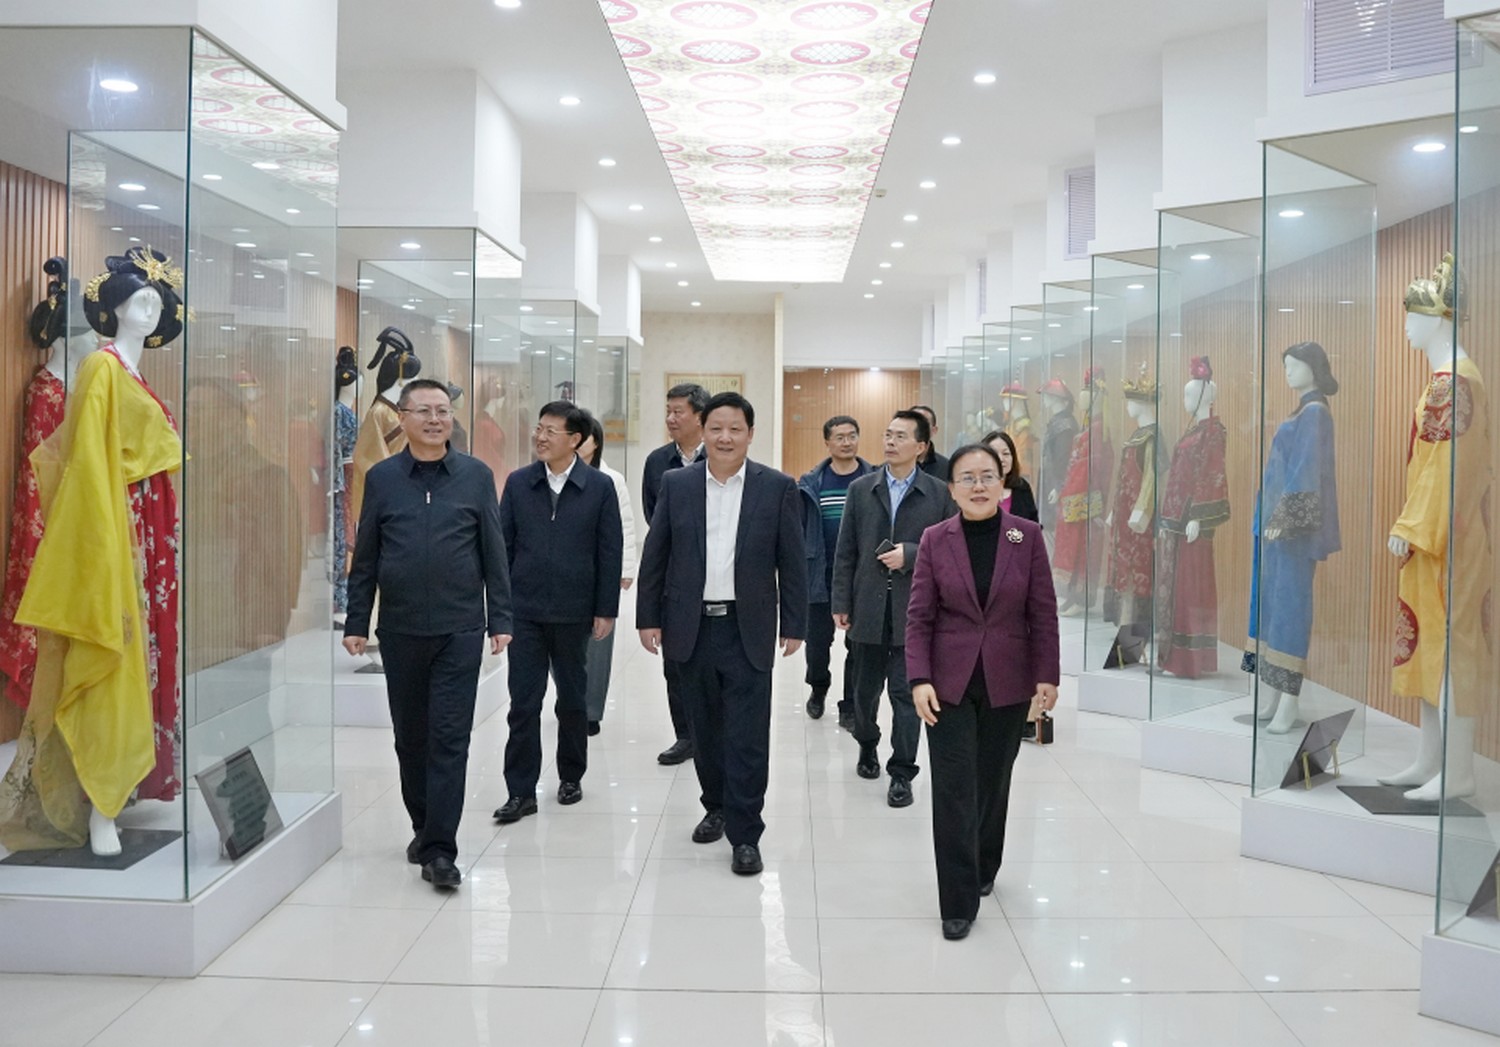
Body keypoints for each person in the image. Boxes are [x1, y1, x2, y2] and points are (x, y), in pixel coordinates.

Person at [343, 378, 513, 890]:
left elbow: (493, 551)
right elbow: (367, 554)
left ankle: (441, 849)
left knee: (449, 738)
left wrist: (501, 619)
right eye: (424, 411)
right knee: (410, 738)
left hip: (460, 629)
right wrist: (357, 622)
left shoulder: (475, 476)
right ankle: (424, 826)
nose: (436, 419)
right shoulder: (383, 478)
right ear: (403, 418)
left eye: (443, 411)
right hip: (401, 630)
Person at [637, 391, 807, 876]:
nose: (725, 437)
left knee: (748, 735)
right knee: (705, 730)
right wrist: (648, 617)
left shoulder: (777, 487)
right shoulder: (677, 484)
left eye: (735, 429)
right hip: (690, 625)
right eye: (716, 428)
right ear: (703, 432)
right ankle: (716, 805)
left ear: (751, 434)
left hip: (746, 626)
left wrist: (794, 623)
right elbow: (657, 554)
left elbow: (792, 560)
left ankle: (746, 833)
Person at [906, 443, 1060, 941]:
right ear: (951, 489)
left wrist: (1047, 675)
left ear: (1002, 484)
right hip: (947, 685)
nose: (978, 486)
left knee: (993, 782)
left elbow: (1043, 612)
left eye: (987, 476)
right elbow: (919, 617)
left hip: (1008, 682)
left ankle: (984, 861)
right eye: (967, 478)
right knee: (953, 789)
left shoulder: (1026, 536)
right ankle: (957, 900)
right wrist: (918, 678)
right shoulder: (935, 539)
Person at [494, 401, 623, 823]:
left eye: (551, 431)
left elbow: (610, 551)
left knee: (572, 700)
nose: (541, 437)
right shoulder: (519, 483)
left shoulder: (599, 487)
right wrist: (500, 607)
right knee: (523, 703)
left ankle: (570, 776)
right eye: (539, 428)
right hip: (525, 611)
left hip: (574, 610)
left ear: (576, 440)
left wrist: (605, 609)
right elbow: (503, 547)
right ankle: (520, 791)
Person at [831, 410, 955, 807]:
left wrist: (913, 554)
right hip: (867, 606)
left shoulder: (939, 493)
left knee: (906, 694)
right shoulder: (861, 489)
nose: (890, 441)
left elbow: (952, 549)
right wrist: (840, 601)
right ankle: (867, 744)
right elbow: (845, 551)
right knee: (864, 692)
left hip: (914, 612)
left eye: (901, 436)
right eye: (888, 434)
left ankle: (902, 771)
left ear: (921, 446)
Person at [641, 382, 709, 766]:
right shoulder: (657, 462)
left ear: (699, 416)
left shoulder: (719, 456)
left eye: (678, 411)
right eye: (668, 411)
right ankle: (686, 736)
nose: (670, 418)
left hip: (716, 575)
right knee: (676, 661)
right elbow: (654, 518)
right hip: (674, 576)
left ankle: (712, 732)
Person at [797, 415, 871, 725]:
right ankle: (818, 687)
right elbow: (799, 529)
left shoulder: (873, 479)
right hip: (820, 574)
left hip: (861, 577)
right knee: (816, 644)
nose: (846, 442)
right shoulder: (811, 482)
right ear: (827, 442)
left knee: (859, 645)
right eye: (839, 437)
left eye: (852, 435)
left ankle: (850, 705)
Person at [578, 411, 638, 736]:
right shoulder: (552, 476)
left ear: (596, 442)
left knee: (598, 643)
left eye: (583, 436)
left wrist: (626, 569)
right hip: (565, 574)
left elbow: (625, 525)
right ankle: (572, 698)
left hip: (602, 570)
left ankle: (590, 710)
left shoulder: (611, 479)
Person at [982, 430, 1039, 523]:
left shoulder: (1022, 487)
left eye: (1006, 454)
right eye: (994, 454)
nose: (1001, 459)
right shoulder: (973, 488)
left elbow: (1033, 525)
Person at [910, 404, 950, 479]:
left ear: (934, 430)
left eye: (923, 424)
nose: (917, 428)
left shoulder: (947, 467)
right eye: (913, 423)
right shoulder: (893, 465)